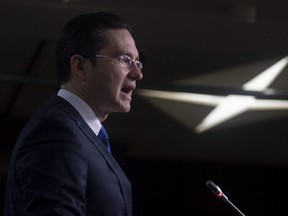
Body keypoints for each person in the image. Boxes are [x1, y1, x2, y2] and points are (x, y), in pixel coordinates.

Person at [4, 12, 143, 216]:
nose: (137, 73)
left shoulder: (79, 133)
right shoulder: (56, 131)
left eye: (138, 62)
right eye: (124, 59)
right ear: (80, 66)